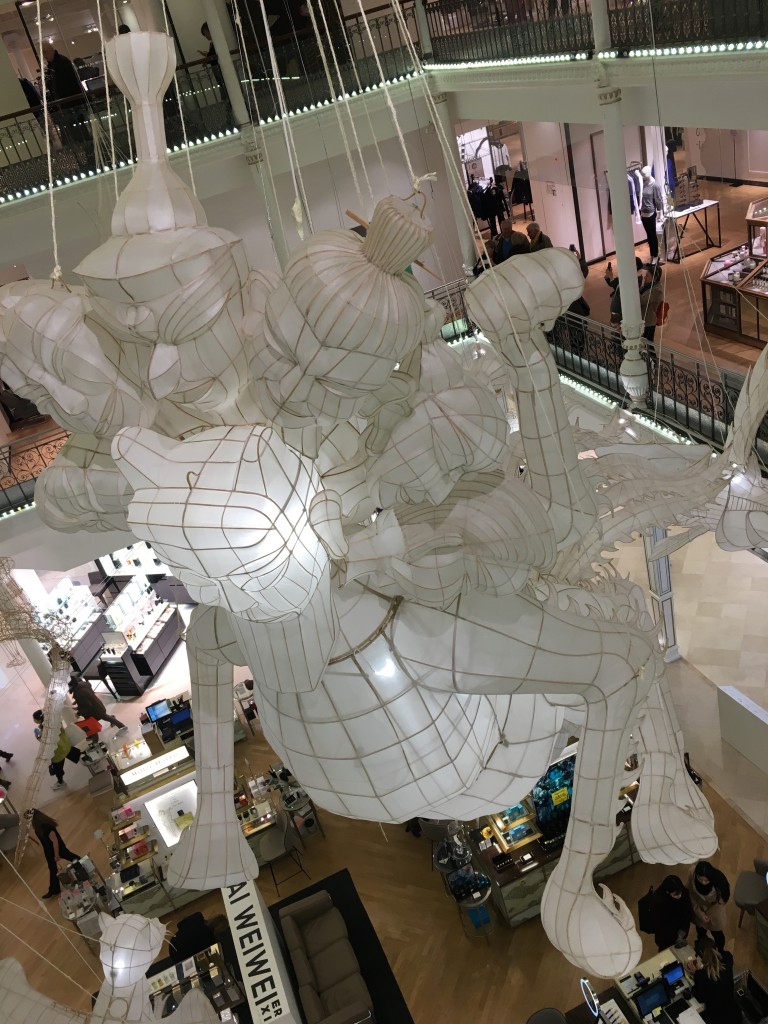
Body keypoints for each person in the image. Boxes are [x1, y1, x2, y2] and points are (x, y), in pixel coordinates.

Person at [41, 42, 91, 148]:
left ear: (49, 51)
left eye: (44, 53)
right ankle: (86, 153)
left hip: (71, 105)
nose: (44, 57)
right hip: (67, 106)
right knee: (76, 132)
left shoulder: (61, 63)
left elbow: (67, 85)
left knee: (80, 131)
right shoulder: (54, 65)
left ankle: (89, 152)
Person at [29, 808, 81, 900]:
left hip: (58, 848)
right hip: (48, 851)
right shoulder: (38, 829)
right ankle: (54, 889)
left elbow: (55, 842)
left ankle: (82, 865)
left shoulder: (47, 827)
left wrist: (56, 854)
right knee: (53, 869)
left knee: (70, 856)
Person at [692, 939, 742, 1024]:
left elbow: (700, 998)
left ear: (700, 953)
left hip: (716, 1019)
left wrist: (695, 973)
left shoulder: (700, 975)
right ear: (716, 949)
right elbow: (725, 955)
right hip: (734, 1015)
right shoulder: (728, 960)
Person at [33, 709, 81, 790]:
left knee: (58, 769)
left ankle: (61, 782)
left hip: (57, 752)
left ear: (40, 720)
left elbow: (44, 742)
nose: (34, 721)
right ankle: (90, 759)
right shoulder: (55, 721)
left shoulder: (44, 732)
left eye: (35, 719)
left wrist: (37, 736)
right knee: (75, 754)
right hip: (65, 745)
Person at [689, 860, 730, 952]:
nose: (703, 882)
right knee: (700, 932)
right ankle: (702, 948)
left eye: (706, 880)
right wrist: (700, 914)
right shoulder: (692, 875)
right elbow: (690, 894)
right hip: (699, 912)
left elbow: (720, 904)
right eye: (700, 879)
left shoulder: (720, 885)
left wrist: (706, 915)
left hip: (714, 915)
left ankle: (721, 950)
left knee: (717, 934)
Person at [650, 874, 692, 951]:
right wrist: (675, 937)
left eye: (680, 893)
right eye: (676, 894)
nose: (679, 896)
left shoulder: (684, 893)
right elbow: (660, 924)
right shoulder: (658, 902)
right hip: (666, 937)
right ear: (667, 892)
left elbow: (688, 911)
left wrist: (683, 930)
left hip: (681, 929)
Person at [640, 263, 665, 344]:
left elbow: (642, 300)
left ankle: (652, 357)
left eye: (647, 276)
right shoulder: (648, 285)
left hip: (648, 322)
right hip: (644, 319)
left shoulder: (656, 290)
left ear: (654, 278)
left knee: (648, 344)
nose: (644, 277)